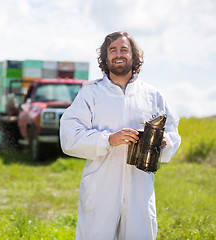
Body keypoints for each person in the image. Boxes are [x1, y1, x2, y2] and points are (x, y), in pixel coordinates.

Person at [59, 31, 181, 240]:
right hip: (101, 187)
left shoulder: (152, 95)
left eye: (124, 49)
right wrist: (107, 140)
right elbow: (69, 137)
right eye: (112, 50)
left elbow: (172, 130)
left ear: (134, 55)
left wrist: (164, 141)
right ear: (105, 58)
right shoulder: (91, 94)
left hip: (140, 188)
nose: (119, 54)